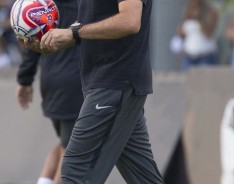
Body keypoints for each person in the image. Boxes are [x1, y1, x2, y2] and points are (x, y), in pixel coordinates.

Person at [23, 0, 164, 183]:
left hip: (114, 84)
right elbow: (95, 19)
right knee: (144, 177)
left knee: (75, 170)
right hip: (111, 87)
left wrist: (73, 33)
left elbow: (130, 21)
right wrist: (58, 40)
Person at [16, 1, 83, 184]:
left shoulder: (43, 4)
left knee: (65, 144)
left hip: (51, 81)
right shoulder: (88, 4)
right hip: (76, 84)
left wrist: (25, 79)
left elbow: (31, 38)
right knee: (71, 154)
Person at [171, 0, 218, 70]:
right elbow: (180, 33)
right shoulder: (188, 11)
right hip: (189, 56)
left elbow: (208, 33)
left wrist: (199, 18)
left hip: (205, 56)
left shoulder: (211, 11)